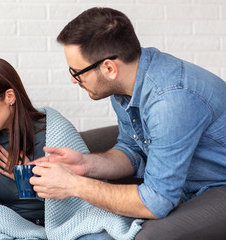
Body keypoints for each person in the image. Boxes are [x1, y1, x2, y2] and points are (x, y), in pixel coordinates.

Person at [30, 7, 226, 239]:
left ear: (109, 68)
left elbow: (156, 203)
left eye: (77, 71)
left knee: (146, 236)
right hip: (182, 179)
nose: (73, 80)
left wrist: (74, 185)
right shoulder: (126, 83)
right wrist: (84, 165)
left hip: (218, 184)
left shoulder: (170, 100)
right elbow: (133, 150)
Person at [0, 57, 143, 240]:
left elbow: (78, 200)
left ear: (10, 97)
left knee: (100, 234)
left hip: (62, 227)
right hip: (10, 227)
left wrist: (27, 178)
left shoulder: (52, 130)